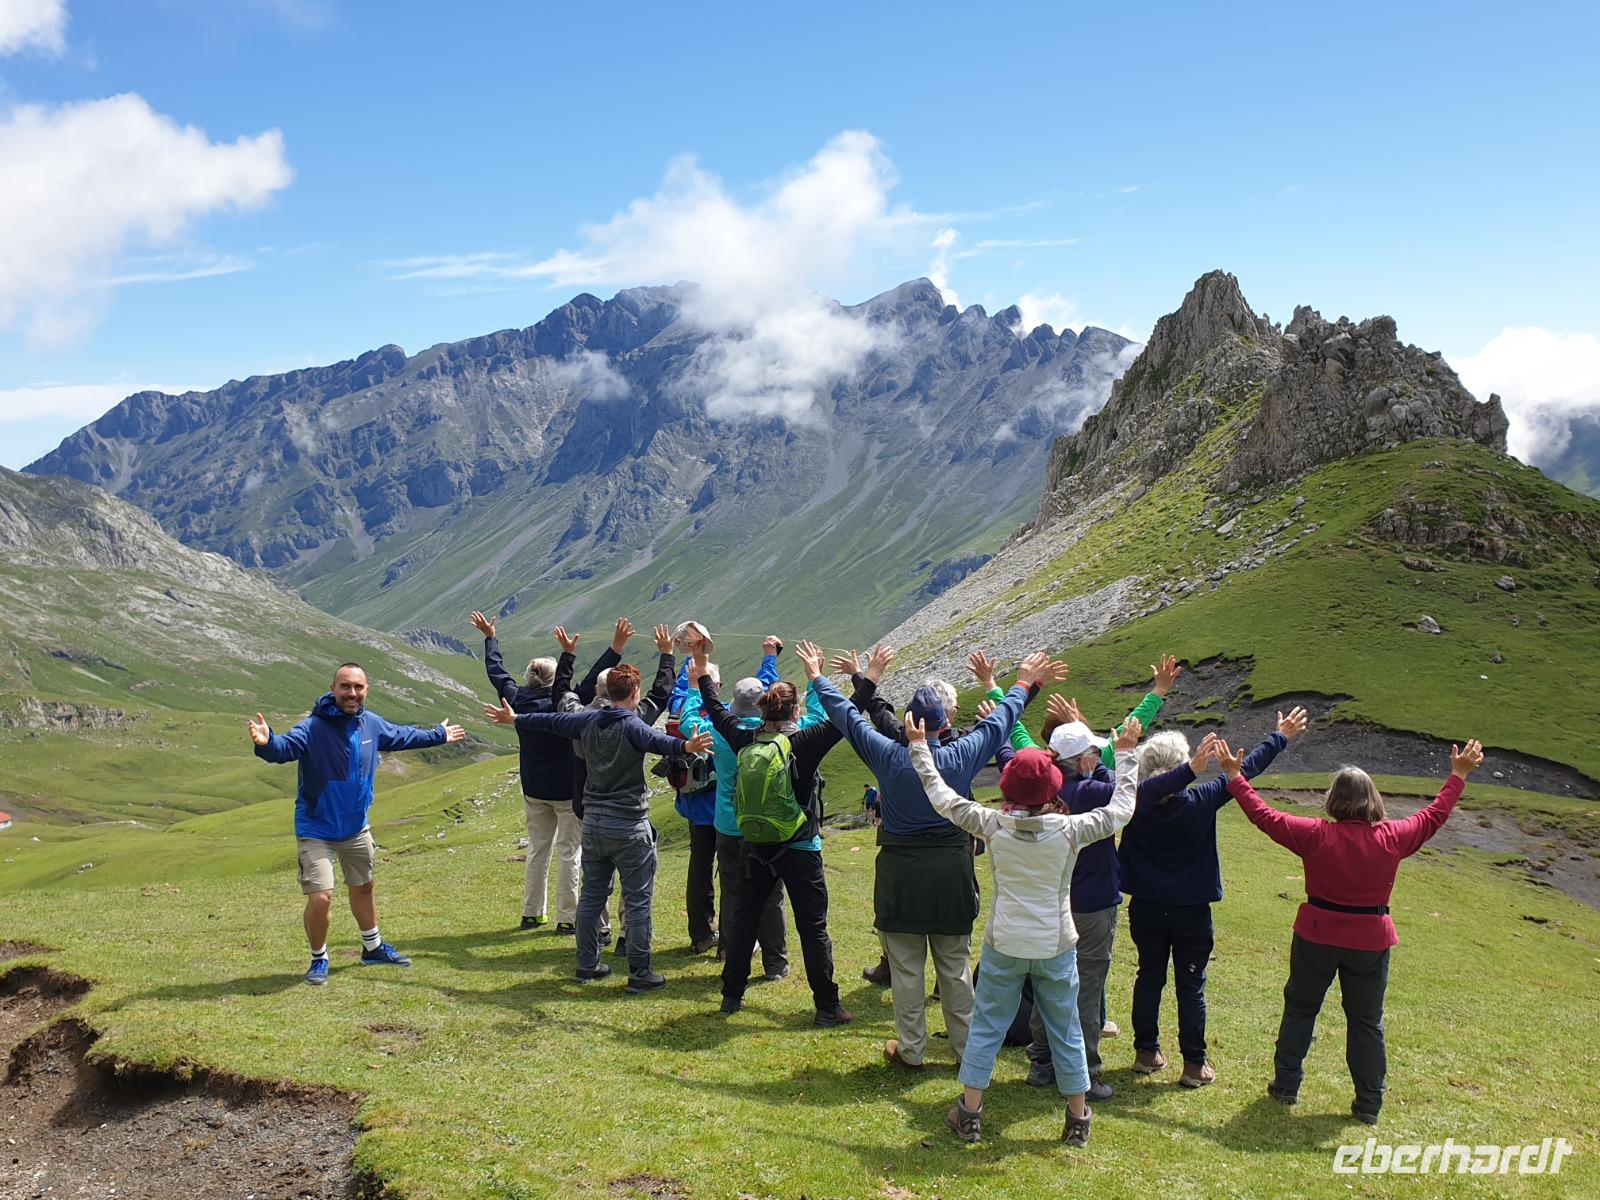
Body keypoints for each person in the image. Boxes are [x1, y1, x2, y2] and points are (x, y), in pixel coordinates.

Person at [816, 650, 1065, 1071]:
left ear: (910, 723)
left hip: (900, 874)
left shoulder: (888, 754)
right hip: (952, 869)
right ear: (946, 724)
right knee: (954, 968)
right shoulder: (963, 752)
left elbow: (847, 717)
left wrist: (818, 677)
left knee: (907, 970)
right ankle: (967, 1052)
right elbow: (1001, 720)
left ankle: (911, 1050)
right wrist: (1025, 683)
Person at [1222, 734, 1484, 1126]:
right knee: (1365, 1021)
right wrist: (1458, 775)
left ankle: (1286, 1085)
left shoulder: (1315, 835)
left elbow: (1265, 816)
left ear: (1334, 801)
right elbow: (1434, 816)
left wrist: (1235, 777)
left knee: (1301, 1009)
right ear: (1374, 801)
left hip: (1316, 934)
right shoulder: (1393, 837)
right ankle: (1368, 1104)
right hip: (1370, 939)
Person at [908, 710, 1142, 1147]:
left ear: (1008, 788)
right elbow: (1122, 809)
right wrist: (1126, 755)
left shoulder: (992, 824)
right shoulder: (1073, 829)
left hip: (1005, 942)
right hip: (1056, 942)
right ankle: (1077, 1118)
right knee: (1067, 1027)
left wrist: (921, 749)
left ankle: (970, 1113)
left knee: (987, 1027)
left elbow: (942, 797)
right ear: (1052, 787)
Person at [487, 627, 712, 993]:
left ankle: (587, 964)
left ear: (603, 693)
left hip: (592, 823)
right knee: (637, 899)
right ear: (634, 694)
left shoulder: (585, 720)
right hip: (629, 825)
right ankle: (640, 972)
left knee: (593, 896)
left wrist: (515, 720)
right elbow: (661, 742)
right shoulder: (635, 725)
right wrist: (687, 745)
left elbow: (550, 719)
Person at [1118, 707, 1309, 1088]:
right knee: (1191, 984)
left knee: (1149, 976)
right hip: (1191, 910)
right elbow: (1244, 771)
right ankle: (1193, 1065)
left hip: (1147, 907)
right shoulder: (1200, 800)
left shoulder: (1133, 801)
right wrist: (1279, 737)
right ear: (1181, 766)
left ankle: (1145, 1052)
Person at [248, 662, 465, 985]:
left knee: (363, 887)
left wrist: (439, 734)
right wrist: (267, 743)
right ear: (333, 689)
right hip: (316, 829)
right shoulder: (313, 727)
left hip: (356, 828)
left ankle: (372, 947)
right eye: (345, 687)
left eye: (358, 687)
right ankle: (319, 958)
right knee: (321, 896)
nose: (352, 693)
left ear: (366, 691)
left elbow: (403, 735)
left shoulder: (370, 724)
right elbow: (285, 749)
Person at [693, 639, 855, 1027]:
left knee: (745, 916)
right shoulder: (805, 742)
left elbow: (715, 710)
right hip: (800, 845)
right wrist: (831, 677)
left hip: (755, 843)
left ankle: (732, 996)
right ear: (796, 710)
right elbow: (848, 716)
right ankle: (827, 1007)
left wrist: (701, 665)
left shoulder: (745, 738)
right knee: (812, 927)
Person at [673, 634, 786, 956]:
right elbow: (760, 694)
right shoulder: (741, 724)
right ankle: (744, 945)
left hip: (704, 808)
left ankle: (703, 936)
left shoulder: (712, 719)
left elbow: (687, 714)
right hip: (738, 815)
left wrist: (696, 683)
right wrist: (770, 658)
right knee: (747, 880)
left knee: (703, 871)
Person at [469, 610, 578, 932]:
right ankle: (568, 919)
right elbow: (585, 682)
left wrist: (491, 637)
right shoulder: (563, 705)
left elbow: (497, 673)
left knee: (538, 849)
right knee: (570, 852)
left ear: (530, 677)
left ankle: (532, 913)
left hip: (534, 787)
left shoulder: (515, 700)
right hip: (567, 789)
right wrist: (569, 654)